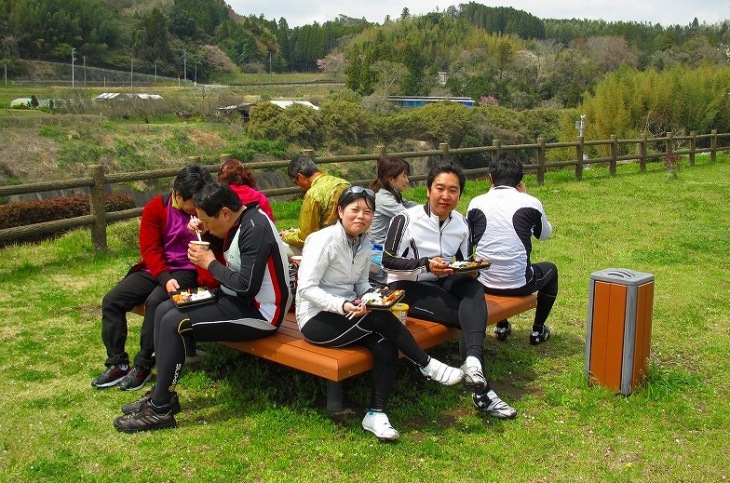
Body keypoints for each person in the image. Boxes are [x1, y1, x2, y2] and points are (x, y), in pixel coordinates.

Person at [114, 182, 292, 432]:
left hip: (259, 313)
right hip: (230, 297)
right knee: (167, 307)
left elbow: (247, 286)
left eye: (206, 221)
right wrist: (205, 232)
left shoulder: (255, 228)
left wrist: (209, 264)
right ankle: (161, 393)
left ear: (225, 213)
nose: (204, 226)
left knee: (174, 322)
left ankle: (161, 410)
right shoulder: (239, 219)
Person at [296, 186, 463, 441]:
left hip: (349, 313)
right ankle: (426, 364)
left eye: (368, 211)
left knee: (384, 339)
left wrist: (374, 294)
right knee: (377, 317)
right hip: (317, 319)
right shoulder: (323, 240)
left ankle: (376, 412)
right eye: (354, 210)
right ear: (340, 211)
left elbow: (361, 283)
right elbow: (306, 288)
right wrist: (343, 306)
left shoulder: (365, 242)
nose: (361, 216)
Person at [382, 160, 517, 420]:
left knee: (473, 287)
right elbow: (388, 261)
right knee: (469, 316)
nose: (446, 196)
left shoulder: (461, 223)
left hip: (444, 281)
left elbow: (463, 262)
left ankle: (473, 363)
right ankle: (483, 392)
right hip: (408, 286)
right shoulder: (406, 219)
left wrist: (472, 269)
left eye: (453, 190)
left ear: (459, 194)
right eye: (440, 188)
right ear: (428, 190)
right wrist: (425, 264)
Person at [91, 164, 215, 391]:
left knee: (156, 302)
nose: (196, 208)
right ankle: (117, 362)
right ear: (178, 195)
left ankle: (144, 364)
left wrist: (204, 229)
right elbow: (150, 250)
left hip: (188, 270)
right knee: (112, 300)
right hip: (156, 269)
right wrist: (164, 277)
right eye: (193, 203)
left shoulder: (203, 213)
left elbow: (216, 242)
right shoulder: (156, 209)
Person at [466, 152, 557, 345]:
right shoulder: (530, 202)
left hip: (483, 283)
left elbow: (469, 241)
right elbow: (544, 235)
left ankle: (501, 325)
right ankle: (538, 330)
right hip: (519, 284)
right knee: (552, 270)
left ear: (490, 177)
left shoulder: (476, 203)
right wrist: (525, 196)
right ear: (520, 179)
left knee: (494, 258)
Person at [279, 155, 350, 257]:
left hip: (328, 249)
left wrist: (286, 236)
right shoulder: (344, 183)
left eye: (296, 182)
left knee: (280, 247)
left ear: (300, 176)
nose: (298, 186)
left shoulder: (313, 194)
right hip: (350, 242)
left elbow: (306, 238)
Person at [368, 156, 417, 245]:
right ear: (391, 179)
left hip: (389, 246)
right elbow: (408, 217)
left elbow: (411, 206)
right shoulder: (384, 200)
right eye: (404, 176)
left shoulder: (392, 195)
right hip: (378, 250)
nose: (407, 180)